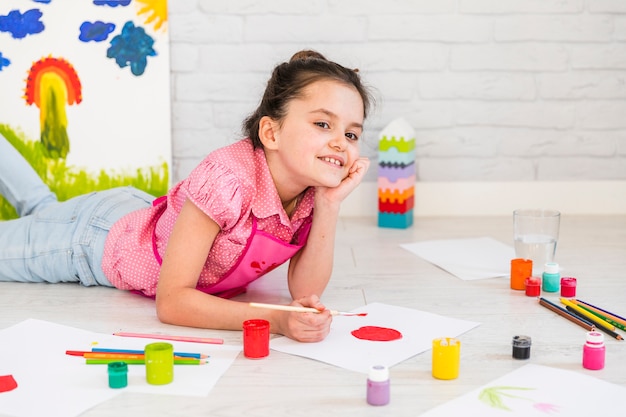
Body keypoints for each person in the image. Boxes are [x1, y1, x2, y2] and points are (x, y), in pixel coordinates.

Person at [0, 50, 373, 342]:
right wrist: (273, 320)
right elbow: (173, 301)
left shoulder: (310, 193)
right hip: (92, 240)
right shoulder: (227, 179)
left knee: (43, 209)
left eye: (352, 134)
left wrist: (329, 204)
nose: (340, 142)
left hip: (139, 216)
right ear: (271, 133)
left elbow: (306, 292)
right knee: (46, 222)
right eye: (323, 124)